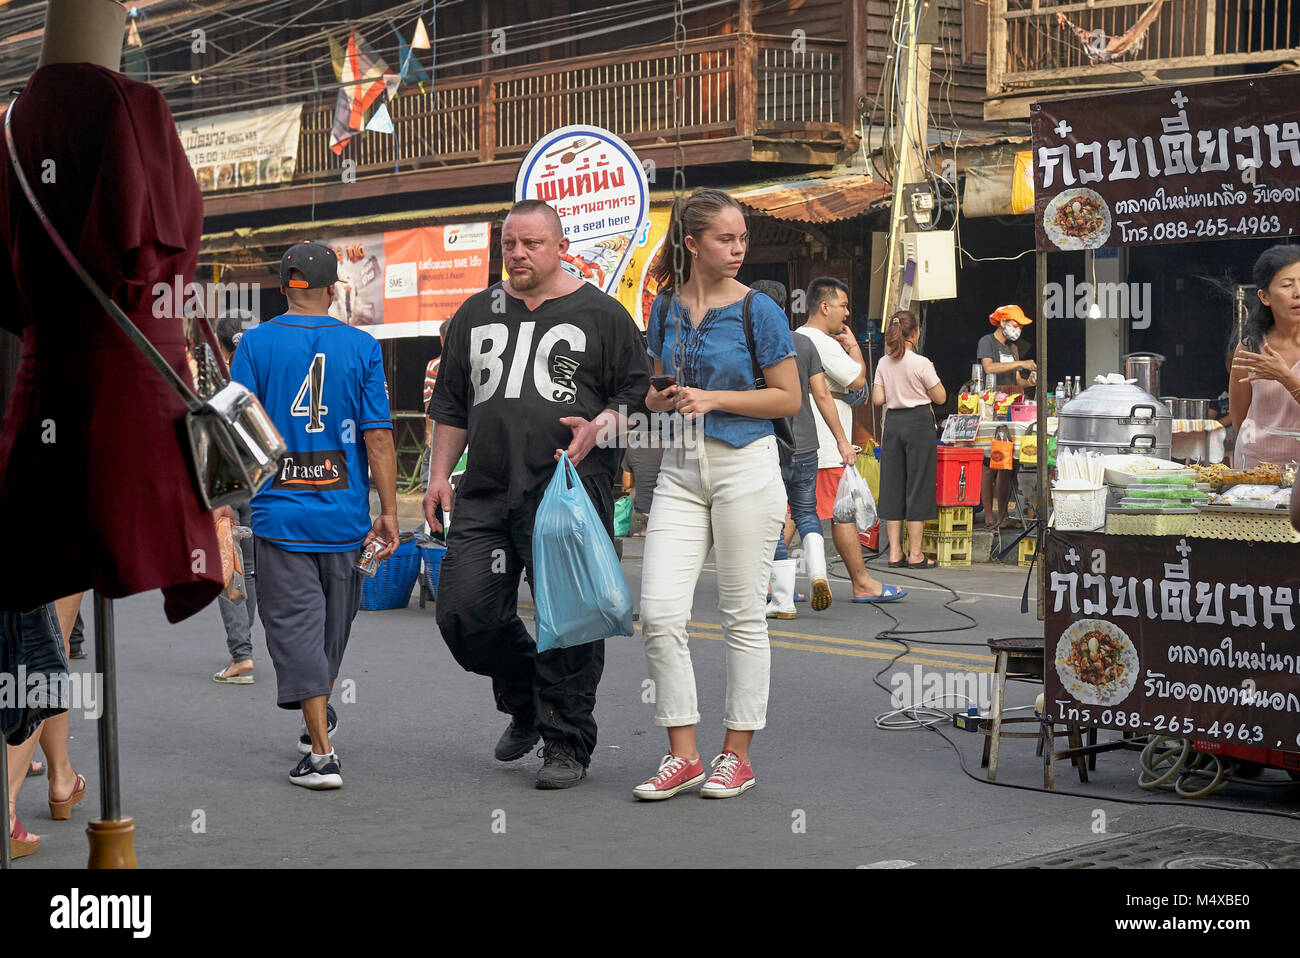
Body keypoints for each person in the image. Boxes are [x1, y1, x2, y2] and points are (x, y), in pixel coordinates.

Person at [425, 200, 649, 790]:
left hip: (569, 490)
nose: (517, 255)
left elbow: (638, 395)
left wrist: (601, 426)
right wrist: (438, 475)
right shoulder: (475, 314)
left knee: (570, 620)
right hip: (485, 492)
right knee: (462, 614)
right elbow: (450, 404)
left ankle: (565, 744)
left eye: (531, 244)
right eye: (508, 245)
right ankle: (527, 695)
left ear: (559, 246)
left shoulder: (603, 314)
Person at [633, 188, 800, 801]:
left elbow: (788, 398)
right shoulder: (665, 309)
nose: (738, 249)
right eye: (725, 239)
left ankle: (737, 754)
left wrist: (714, 398)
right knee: (659, 614)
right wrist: (657, 399)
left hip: (745, 466)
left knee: (741, 615)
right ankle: (683, 754)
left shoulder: (759, 310)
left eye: (742, 239)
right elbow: (654, 392)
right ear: (692, 243)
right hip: (679, 468)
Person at [230, 243, 399, 790]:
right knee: (328, 627)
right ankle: (319, 733)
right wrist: (389, 511)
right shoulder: (362, 346)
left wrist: (222, 511)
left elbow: (237, 435)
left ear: (285, 287)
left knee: (297, 627)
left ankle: (321, 756)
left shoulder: (254, 345)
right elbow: (377, 436)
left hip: (280, 517)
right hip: (345, 517)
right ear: (334, 290)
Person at [753, 280, 857, 619]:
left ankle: (781, 600)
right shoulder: (803, 343)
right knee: (806, 512)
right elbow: (823, 396)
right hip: (807, 445)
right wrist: (842, 440)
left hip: (769, 444)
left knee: (772, 520)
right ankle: (818, 574)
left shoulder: (750, 346)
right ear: (785, 307)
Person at [796, 278, 903, 604]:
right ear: (824, 306)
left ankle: (773, 582)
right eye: (842, 305)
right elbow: (857, 379)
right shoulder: (821, 342)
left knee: (797, 510)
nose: (846, 313)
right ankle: (861, 583)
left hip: (803, 441)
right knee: (836, 513)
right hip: (826, 444)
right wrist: (854, 346)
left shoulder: (798, 338)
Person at [873, 311, 946, 568]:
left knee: (892, 487)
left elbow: (878, 400)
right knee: (918, 485)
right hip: (918, 423)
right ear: (914, 333)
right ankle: (916, 554)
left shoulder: (883, 362)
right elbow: (940, 398)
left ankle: (895, 552)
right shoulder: (922, 363)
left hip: (893, 424)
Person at [212, 310, 259, 685]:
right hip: (262, 485)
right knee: (253, 571)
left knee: (230, 569)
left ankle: (241, 655)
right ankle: (242, 649)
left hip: (229, 488)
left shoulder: (219, 382)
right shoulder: (262, 372)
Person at [1231, 245, 1300, 472]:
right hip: (1255, 472)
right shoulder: (1249, 349)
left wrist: (1285, 377)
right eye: (1287, 285)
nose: (1297, 292)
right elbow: (1240, 421)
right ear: (1265, 296)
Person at [976, 305, 1036, 529]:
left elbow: (1017, 379)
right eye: (1015, 323)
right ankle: (990, 516)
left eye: (1020, 325)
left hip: (1011, 408)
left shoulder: (1013, 349)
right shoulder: (986, 342)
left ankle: (1003, 516)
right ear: (1002, 322)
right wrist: (1020, 363)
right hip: (990, 408)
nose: (1018, 328)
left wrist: (1029, 382)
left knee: (1006, 465)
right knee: (989, 465)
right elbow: (989, 368)